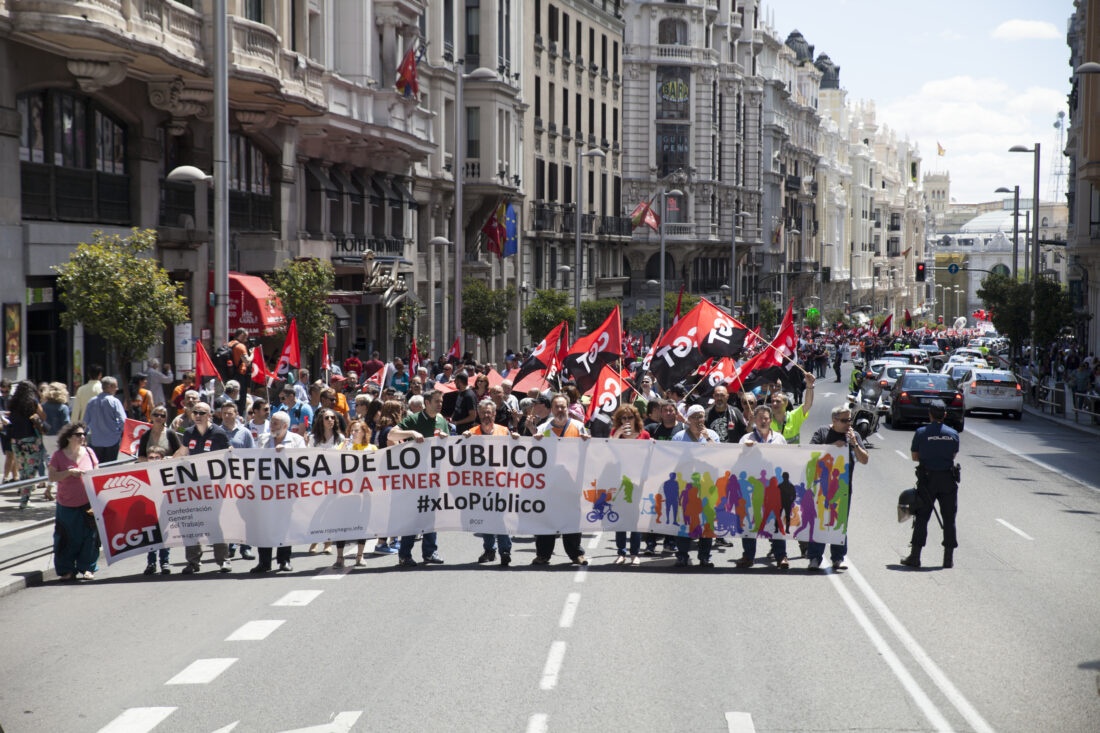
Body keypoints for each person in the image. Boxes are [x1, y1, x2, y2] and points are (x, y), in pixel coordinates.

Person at [387, 389, 450, 567]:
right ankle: (405, 554)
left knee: (431, 515)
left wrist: (445, 438)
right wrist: (412, 433)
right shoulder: (414, 419)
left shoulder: (441, 420)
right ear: (427, 403)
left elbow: (448, 448)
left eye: (441, 401)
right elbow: (392, 434)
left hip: (434, 477)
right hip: (414, 478)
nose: (440, 404)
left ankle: (429, 552)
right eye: (436, 401)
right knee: (413, 516)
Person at [807, 403, 869, 571]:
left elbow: (864, 459)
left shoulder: (853, 435)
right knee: (820, 522)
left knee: (839, 523)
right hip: (821, 486)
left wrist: (854, 443)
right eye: (844, 420)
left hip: (842, 487)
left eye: (850, 419)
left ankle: (838, 557)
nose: (849, 423)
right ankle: (814, 557)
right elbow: (809, 453)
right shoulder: (822, 432)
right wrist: (831, 447)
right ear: (834, 420)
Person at [532, 394, 590, 566]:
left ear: (568, 408)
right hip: (549, 483)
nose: (560, 410)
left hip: (572, 482)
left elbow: (589, 451)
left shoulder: (579, 427)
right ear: (551, 409)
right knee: (546, 518)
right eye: (556, 407)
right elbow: (535, 456)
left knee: (571, 518)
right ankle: (543, 554)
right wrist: (534, 440)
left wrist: (588, 441)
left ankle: (576, 554)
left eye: (563, 407)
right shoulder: (543, 429)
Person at [902, 399, 960, 569]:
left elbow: (914, 456)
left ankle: (915, 557)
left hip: (928, 480)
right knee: (949, 519)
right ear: (945, 414)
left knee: (922, 518)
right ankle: (948, 559)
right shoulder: (953, 434)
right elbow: (953, 454)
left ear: (929, 415)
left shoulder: (921, 432)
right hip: (948, 479)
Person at [179, 402, 232, 574]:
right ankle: (193, 562)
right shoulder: (188, 433)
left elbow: (227, 457)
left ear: (209, 415)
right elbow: (184, 453)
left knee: (215, 523)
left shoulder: (218, 433)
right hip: (193, 486)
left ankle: (223, 560)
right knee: (191, 522)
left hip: (213, 487)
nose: (198, 415)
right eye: (195, 412)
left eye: (202, 412)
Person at [464, 399, 518, 566]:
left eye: (489, 413)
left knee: (500, 517)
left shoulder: (504, 431)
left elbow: (514, 455)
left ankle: (505, 550)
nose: (486, 416)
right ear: (479, 414)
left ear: (494, 414)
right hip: (479, 484)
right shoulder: (471, 433)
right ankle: (489, 550)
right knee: (485, 517)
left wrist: (516, 439)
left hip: (501, 483)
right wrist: (464, 440)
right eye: (483, 413)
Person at [737, 404, 789, 570]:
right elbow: (737, 462)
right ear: (754, 420)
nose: (763, 421)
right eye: (760, 418)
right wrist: (745, 450)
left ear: (771, 420)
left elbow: (787, 461)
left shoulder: (779, 439)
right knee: (750, 520)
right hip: (754, 489)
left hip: (775, 488)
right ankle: (748, 556)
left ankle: (781, 556)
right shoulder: (746, 439)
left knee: (776, 521)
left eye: (766, 418)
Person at [251, 412, 305, 573]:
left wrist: (287, 454)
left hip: (285, 492)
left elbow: (304, 462)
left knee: (284, 525)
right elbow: (253, 458)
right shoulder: (263, 439)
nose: (271, 426)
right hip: (265, 490)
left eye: (275, 423)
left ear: (285, 426)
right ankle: (264, 562)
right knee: (264, 525)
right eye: (271, 423)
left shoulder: (296, 440)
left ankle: (284, 560)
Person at [47, 422, 100, 580]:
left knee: (90, 537)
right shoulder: (59, 455)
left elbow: (97, 473)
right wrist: (69, 472)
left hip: (88, 503)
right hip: (66, 504)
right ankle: (66, 569)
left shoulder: (89, 452)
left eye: (84, 434)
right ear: (69, 437)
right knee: (66, 537)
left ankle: (88, 568)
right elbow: (52, 476)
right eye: (78, 435)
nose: (82, 437)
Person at [670, 404, 719, 568]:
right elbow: (672, 459)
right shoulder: (679, 437)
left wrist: (708, 439)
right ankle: (682, 555)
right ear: (688, 419)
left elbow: (719, 457)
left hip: (707, 485)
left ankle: (705, 556)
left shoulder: (711, 435)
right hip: (686, 486)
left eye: (701, 416)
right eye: (695, 417)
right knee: (685, 520)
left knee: (706, 522)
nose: (699, 420)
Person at [610, 404, 650, 566]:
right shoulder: (615, 435)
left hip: (638, 481)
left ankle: (634, 553)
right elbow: (608, 450)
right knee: (620, 518)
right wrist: (618, 433)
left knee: (634, 519)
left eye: (630, 417)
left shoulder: (644, 435)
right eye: (623, 418)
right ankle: (621, 552)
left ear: (636, 418)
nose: (627, 421)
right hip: (620, 481)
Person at [335, 419, 375, 566]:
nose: (353, 433)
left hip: (364, 492)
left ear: (364, 432)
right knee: (342, 523)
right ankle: (339, 557)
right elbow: (335, 461)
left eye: (357, 430)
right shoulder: (344, 445)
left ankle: (360, 555)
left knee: (361, 524)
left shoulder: (371, 447)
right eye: (352, 430)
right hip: (345, 492)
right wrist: (345, 446)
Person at [308, 408, 345, 556]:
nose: (330, 420)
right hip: (317, 480)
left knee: (330, 511)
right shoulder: (313, 439)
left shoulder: (340, 438)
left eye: (332, 418)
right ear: (321, 421)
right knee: (315, 511)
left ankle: (328, 542)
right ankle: (314, 540)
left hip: (334, 480)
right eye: (327, 418)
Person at [8, 380, 48, 508]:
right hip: (32, 439)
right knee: (31, 471)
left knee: (22, 469)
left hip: (16, 439)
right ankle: (24, 501)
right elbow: (43, 416)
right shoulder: (33, 403)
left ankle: (23, 495)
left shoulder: (12, 403)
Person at [141, 445, 173, 574]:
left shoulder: (166, 471)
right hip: (149, 510)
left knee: (165, 536)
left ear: (162, 458)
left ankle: (164, 562)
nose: (153, 460)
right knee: (151, 538)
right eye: (150, 457)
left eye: (157, 457)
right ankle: (151, 563)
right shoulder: (143, 471)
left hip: (164, 508)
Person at [770, 373, 815, 444]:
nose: (774, 404)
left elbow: (808, 404)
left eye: (778, 401)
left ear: (786, 403)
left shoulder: (794, 417)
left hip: (793, 454)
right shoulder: (766, 420)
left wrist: (809, 386)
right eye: (772, 401)